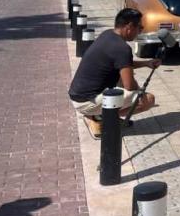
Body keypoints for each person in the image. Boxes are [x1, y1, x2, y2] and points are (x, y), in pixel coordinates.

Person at [68, 8, 159, 138]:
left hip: (78, 95)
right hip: (87, 102)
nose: (140, 31)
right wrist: (140, 93)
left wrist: (146, 63)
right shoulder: (123, 49)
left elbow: (122, 63)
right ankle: (100, 118)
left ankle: (102, 115)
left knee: (123, 77)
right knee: (148, 100)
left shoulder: (108, 34)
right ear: (129, 27)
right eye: (140, 27)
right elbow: (129, 86)